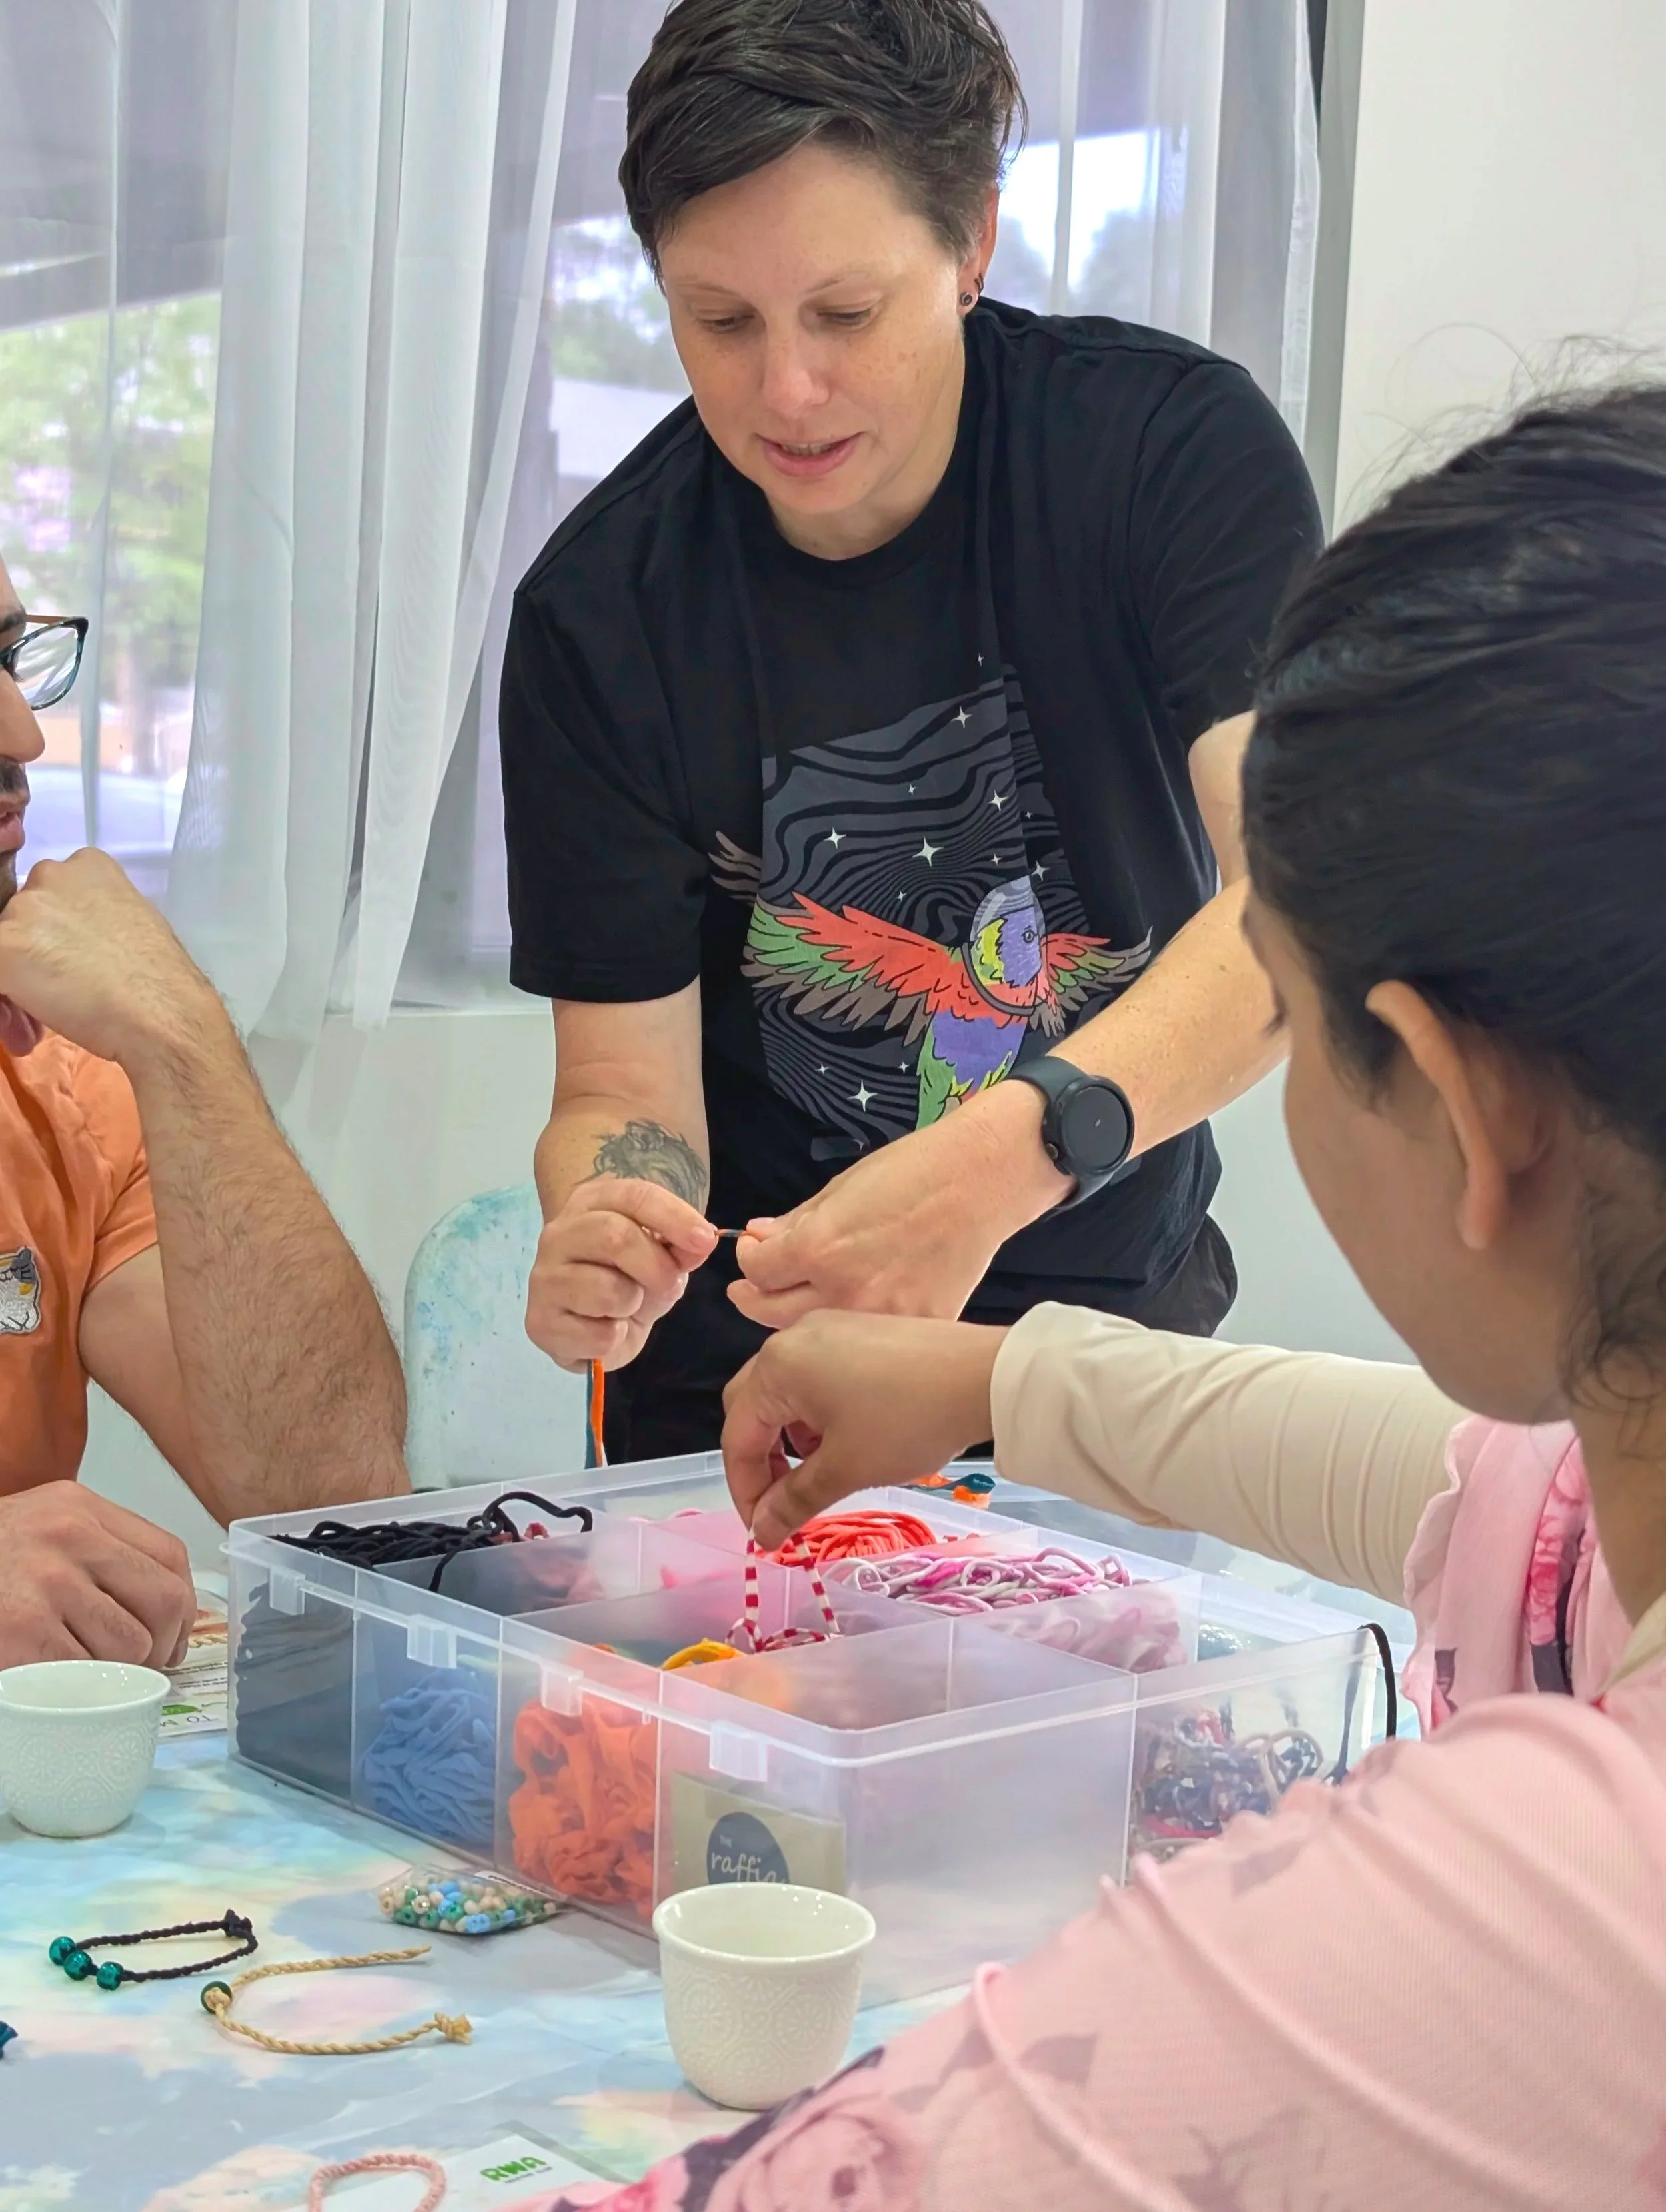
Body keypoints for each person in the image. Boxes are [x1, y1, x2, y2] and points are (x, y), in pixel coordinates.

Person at [503, 385, 1666, 2209]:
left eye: (1272, 996)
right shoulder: (1596, 1515)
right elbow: (1488, 1484)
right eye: (721, 323)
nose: (794, 390)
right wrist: (994, 1380)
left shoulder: (1509, 1914)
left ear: (1449, 1103)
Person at [502, 0, 1322, 1460]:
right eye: (719, 320)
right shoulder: (602, 612)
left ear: (972, 245)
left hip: (1101, 1359)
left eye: (844, 313)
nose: (784, 393)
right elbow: (623, 1091)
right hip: (755, 1407)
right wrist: (607, 1211)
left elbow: (1301, 908)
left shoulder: (1162, 459)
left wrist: (1000, 1162)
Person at [0, 560, 408, 1672]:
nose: (25, 739)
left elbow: (336, 1512)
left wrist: (181, 1040)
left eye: (8, 655)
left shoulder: (57, 1082)